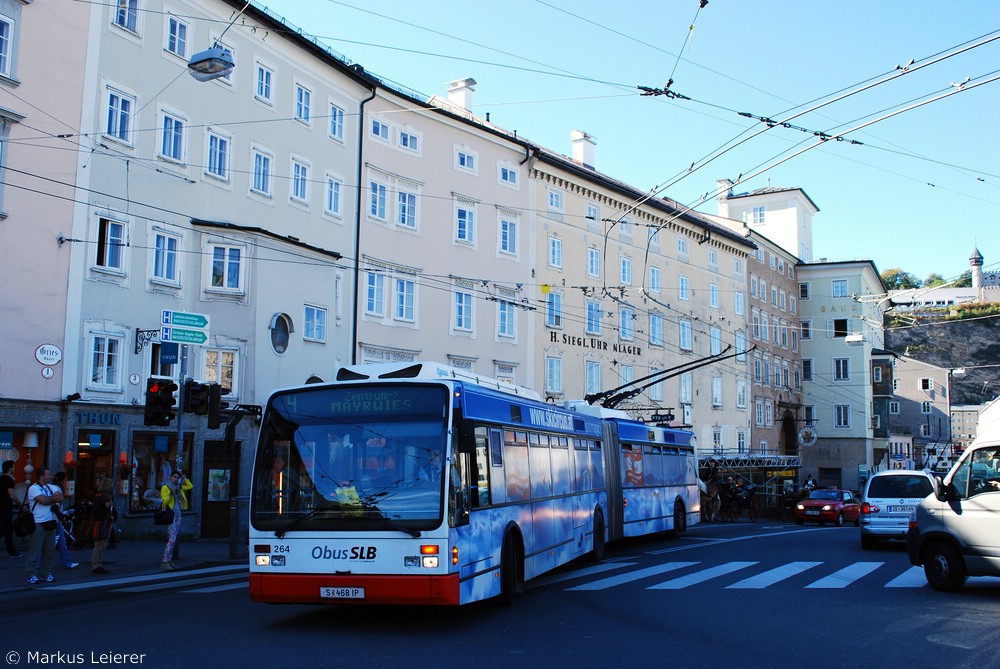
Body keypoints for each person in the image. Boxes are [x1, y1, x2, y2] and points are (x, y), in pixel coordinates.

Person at [24, 467, 64, 584]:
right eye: (48, 475)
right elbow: (43, 500)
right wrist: (52, 499)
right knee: (34, 551)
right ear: (41, 476)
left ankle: (46, 573)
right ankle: (31, 574)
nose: (50, 476)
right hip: (38, 523)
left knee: (49, 551)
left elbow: (60, 497)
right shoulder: (33, 488)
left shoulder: (50, 487)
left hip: (50, 523)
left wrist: (48, 499)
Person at [159, 471, 191, 570]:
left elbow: (190, 486)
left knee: (174, 539)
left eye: (177, 477)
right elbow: (164, 503)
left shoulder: (179, 487)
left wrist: (184, 478)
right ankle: (164, 561)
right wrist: (171, 495)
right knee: (172, 539)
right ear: (170, 477)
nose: (176, 479)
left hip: (178, 515)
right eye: (174, 477)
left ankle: (169, 560)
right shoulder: (165, 487)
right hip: (171, 515)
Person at [49, 471, 79, 570]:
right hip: (56, 518)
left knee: (61, 541)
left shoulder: (52, 487)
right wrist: (62, 517)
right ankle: (66, 562)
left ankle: (67, 562)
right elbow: (57, 505)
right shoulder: (57, 489)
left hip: (55, 518)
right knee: (55, 542)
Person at [90, 478, 114, 574]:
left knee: (102, 545)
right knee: (99, 545)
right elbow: (95, 510)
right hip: (102, 522)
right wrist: (105, 507)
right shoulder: (100, 497)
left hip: (107, 522)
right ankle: (95, 565)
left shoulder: (108, 496)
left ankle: (99, 563)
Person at [1, 460, 21, 558]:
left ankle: (11, 551)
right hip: (6, 507)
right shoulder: (9, 480)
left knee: (7, 529)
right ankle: (12, 551)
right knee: (6, 529)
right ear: (9, 469)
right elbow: (12, 495)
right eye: (13, 467)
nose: (14, 468)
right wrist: (21, 505)